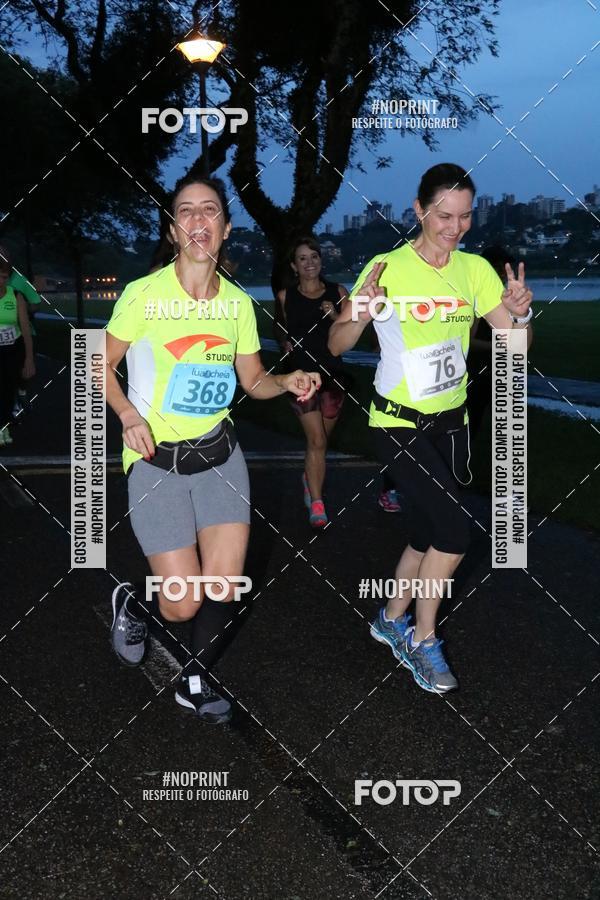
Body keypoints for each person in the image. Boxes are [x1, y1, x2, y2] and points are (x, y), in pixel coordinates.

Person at [106, 176, 320, 724]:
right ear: (173, 229)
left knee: (222, 585)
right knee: (182, 602)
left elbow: (252, 381)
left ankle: (194, 682)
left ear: (225, 228)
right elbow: (96, 364)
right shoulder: (143, 295)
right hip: (157, 463)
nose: (198, 220)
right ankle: (137, 603)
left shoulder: (237, 305)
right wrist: (129, 415)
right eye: (186, 211)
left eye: (210, 211)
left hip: (221, 458)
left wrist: (288, 379)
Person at [329, 163, 533, 693]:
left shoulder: (474, 271)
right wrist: (361, 312)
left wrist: (519, 318)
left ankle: (389, 618)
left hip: (451, 424)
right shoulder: (385, 267)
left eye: (465, 216)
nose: (455, 226)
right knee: (455, 531)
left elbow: (515, 349)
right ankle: (422, 641)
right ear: (419, 210)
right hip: (396, 423)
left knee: (424, 533)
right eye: (444, 215)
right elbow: (337, 344)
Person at [275, 237, 349, 527]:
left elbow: (349, 338)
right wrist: (284, 344)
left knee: (321, 443)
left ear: (321, 261)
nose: (309, 263)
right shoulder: (285, 296)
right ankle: (317, 505)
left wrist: (336, 317)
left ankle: (309, 478)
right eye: (302, 258)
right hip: (301, 379)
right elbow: (279, 327)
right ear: (295, 266)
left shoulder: (338, 291)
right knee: (316, 440)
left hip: (333, 376)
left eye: (314, 257)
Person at [467, 246, 516, 437]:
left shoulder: (503, 297)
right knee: (474, 414)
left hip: (499, 367)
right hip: (478, 369)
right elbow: (468, 341)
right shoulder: (477, 298)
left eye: (506, 268)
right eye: (499, 268)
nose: (503, 273)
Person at [0, 254, 36, 446]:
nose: (1, 281)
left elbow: (25, 329)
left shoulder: (15, 296)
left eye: (4, 277)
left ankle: (3, 425)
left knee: (7, 389)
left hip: (12, 348)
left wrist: (29, 359)